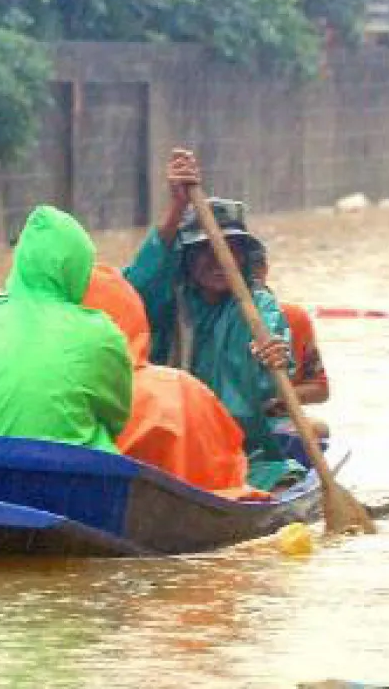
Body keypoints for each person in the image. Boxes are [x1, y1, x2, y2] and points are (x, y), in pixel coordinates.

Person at [122, 148, 304, 491]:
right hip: (167, 441)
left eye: (231, 249)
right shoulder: (167, 300)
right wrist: (175, 209)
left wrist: (272, 357)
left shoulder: (256, 307)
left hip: (239, 449)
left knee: (278, 476)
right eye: (205, 250)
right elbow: (133, 289)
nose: (220, 259)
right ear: (187, 257)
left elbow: (272, 363)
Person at [0, 206, 132, 452]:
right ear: (79, 269)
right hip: (69, 472)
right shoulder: (100, 334)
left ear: (19, 261)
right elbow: (117, 418)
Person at [81, 264, 259, 497]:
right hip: (194, 412)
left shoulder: (256, 307)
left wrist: (269, 359)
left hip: (236, 423)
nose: (215, 263)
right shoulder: (172, 301)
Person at [248, 246, 330, 406]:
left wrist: (277, 401)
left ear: (263, 270)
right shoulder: (205, 321)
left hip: (275, 413)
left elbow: (320, 389)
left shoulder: (294, 317)